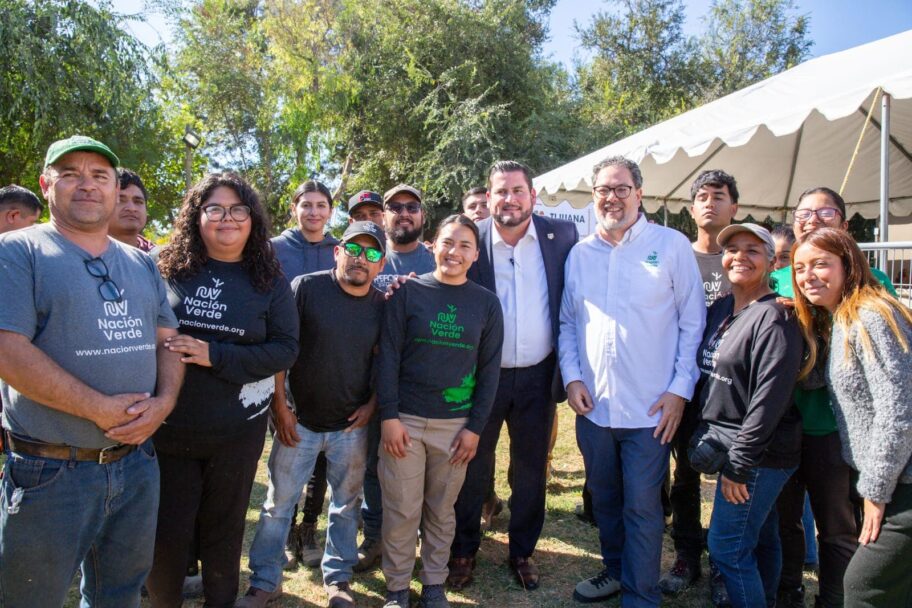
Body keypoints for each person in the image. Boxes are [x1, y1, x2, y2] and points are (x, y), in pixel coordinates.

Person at [0, 135, 184, 607]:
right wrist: (99, 409)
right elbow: (8, 350)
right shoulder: (17, 252)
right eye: (71, 174)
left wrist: (163, 404)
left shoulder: (143, 263)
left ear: (114, 187)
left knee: (118, 595)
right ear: (46, 184)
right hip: (51, 471)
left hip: (136, 464)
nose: (87, 185)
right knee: (28, 598)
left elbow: (169, 341)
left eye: (100, 176)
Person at [145, 172, 299, 608]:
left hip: (237, 434)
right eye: (214, 208)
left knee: (224, 532)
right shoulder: (163, 269)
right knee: (168, 537)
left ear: (252, 220)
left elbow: (286, 350)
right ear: (197, 217)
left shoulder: (268, 279)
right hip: (170, 429)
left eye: (238, 209)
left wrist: (215, 354)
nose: (226, 218)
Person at [559, 155, 705, 606]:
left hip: (651, 411)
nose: (612, 197)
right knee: (604, 500)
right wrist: (571, 377)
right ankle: (617, 571)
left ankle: (641, 596)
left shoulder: (672, 245)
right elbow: (567, 322)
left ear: (639, 194)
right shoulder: (580, 254)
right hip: (594, 409)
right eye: (603, 189)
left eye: (622, 188)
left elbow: (692, 323)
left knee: (642, 507)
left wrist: (680, 390)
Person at [242, 221, 387, 608]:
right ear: (337, 252)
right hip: (299, 422)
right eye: (354, 249)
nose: (361, 259)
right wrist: (280, 406)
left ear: (381, 265)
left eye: (372, 254)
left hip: (351, 427)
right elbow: (280, 349)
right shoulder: (306, 288)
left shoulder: (383, 305)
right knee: (277, 505)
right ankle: (265, 581)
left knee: (346, 506)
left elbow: (384, 363)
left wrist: (372, 405)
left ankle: (338, 580)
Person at [449, 160, 577, 592]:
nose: (509, 199)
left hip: (539, 375)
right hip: (483, 376)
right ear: (488, 197)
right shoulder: (474, 240)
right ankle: (462, 549)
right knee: (470, 466)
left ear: (532, 196)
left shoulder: (562, 237)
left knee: (530, 470)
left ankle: (522, 549)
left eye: (518, 190)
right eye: (500, 191)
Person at [771, 187, 894, 608]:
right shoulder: (780, 278)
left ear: (844, 223)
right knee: (786, 521)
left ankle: (834, 599)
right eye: (804, 212)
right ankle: (787, 594)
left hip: (835, 430)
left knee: (837, 527)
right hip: (785, 424)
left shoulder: (872, 288)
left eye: (825, 211)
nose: (813, 218)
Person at [377, 214, 504, 608]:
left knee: (441, 510)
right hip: (406, 424)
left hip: (456, 429)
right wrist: (389, 417)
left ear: (475, 255)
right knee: (401, 510)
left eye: (465, 245)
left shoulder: (486, 304)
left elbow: (489, 371)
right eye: (448, 242)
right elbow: (388, 359)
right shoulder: (408, 294)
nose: (455, 251)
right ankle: (397, 588)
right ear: (433, 245)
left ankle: (434, 583)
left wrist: (475, 428)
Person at [792, 227, 912, 608]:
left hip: (903, 485)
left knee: (863, 588)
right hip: (892, 480)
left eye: (820, 264)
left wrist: (875, 493)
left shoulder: (871, 314)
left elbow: (899, 410)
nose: (808, 275)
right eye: (799, 267)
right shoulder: (842, 317)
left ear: (849, 264)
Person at [693, 223, 804, 608]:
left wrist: (739, 466)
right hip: (734, 446)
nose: (740, 256)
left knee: (727, 548)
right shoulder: (722, 308)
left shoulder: (777, 318)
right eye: (733, 249)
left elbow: (768, 401)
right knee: (763, 537)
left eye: (753, 250)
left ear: (773, 262)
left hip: (758, 455)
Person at [661, 169, 739, 603]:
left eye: (720, 196)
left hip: (734, 391)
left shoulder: (744, 255)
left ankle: (727, 564)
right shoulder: (677, 255)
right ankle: (687, 556)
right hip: (686, 385)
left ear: (735, 207)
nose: (710, 203)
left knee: (734, 478)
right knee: (686, 475)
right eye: (703, 197)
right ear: (692, 209)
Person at [356, 184, 437, 572]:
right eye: (395, 207)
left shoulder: (437, 261)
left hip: (419, 381)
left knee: (418, 464)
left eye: (412, 207)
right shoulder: (367, 256)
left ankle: (418, 539)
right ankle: (374, 536)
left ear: (423, 216)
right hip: (367, 380)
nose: (403, 213)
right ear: (383, 216)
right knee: (374, 462)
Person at [270, 179, 341, 570]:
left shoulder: (341, 250)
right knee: (287, 452)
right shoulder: (273, 250)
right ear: (294, 209)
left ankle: (309, 529)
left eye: (321, 205)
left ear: (331, 210)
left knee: (322, 462)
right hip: (283, 367)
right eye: (306, 205)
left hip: (330, 368)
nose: (314, 212)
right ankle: (282, 532)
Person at [108, 168, 155, 251]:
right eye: (120, 200)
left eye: (138, 202)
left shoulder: (162, 260)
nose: (131, 208)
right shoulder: (83, 255)